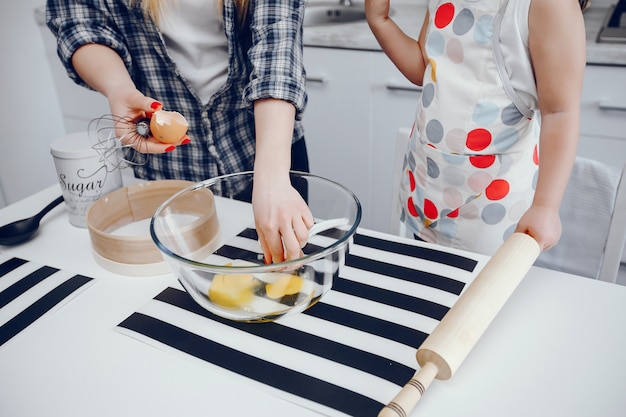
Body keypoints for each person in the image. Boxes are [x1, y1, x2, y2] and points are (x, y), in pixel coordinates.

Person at [46, 0, 314, 263]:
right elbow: (79, 24)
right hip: (171, 171)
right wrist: (118, 88)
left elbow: (277, 50)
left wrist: (272, 178)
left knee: (289, 267)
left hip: (268, 150)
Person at [366, 0, 587, 255]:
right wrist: (379, 20)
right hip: (431, 190)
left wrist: (546, 207)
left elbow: (560, 112)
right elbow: (423, 67)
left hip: (492, 209)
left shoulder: (549, 5)